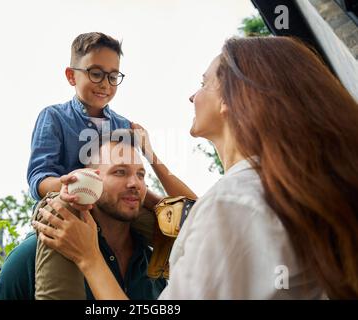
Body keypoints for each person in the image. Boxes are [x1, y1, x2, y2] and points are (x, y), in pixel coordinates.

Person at [33, 36, 358, 299]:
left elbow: (193, 211)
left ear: (229, 100)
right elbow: (40, 177)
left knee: (170, 217)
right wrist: (74, 186)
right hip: (71, 198)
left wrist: (92, 256)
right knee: (59, 213)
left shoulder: (232, 203)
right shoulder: (55, 117)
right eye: (95, 73)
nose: (191, 96)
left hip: (121, 208)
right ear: (72, 75)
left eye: (203, 83)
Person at [0, 132, 168, 299]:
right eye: (120, 172)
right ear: (90, 180)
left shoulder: (153, 263)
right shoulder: (38, 250)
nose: (135, 183)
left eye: (141, 174)